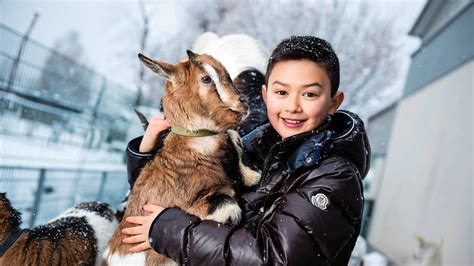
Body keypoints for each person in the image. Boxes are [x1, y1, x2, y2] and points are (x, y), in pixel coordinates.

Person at [122, 36, 370, 265]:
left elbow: (274, 258)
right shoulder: (258, 146)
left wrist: (172, 231)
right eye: (281, 92)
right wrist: (144, 155)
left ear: (333, 103)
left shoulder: (335, 178)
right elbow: (184, 188)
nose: (293, 106)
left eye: (310, 94)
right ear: (265, 95)